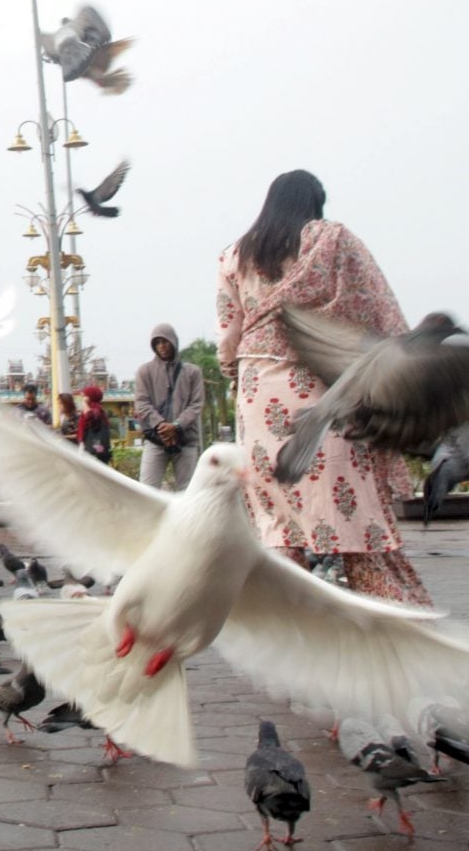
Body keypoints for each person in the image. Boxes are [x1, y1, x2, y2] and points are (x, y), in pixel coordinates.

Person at [217, 170, 433, 605]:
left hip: (258, 392)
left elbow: (228, 332)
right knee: (352, 513)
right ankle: (400, 618)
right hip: (320, 390)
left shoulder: (235, 254)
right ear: (315, 202)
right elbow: (375, 306)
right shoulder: (332, 239)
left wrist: (231, 368)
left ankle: (296, 627)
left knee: (278, 520)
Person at [134, 324, 205, 492]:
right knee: (146, 490)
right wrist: (161, 426)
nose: (162, 346)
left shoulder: (193, 372)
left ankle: (187, 520)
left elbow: (196, 404)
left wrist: (177, 426)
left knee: (187, 492)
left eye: (165, 341)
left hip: (186, 440)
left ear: (174, 342)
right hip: (156, 440)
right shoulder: (145, 372)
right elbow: (142, 403)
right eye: (157, 342)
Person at [74, 385, 114, 463]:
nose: (83, 398)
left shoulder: (96, 409)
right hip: (94, 447)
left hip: (94, 449)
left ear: (91, 396)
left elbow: (89, 416)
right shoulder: (95, 409)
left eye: (85, 396)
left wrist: (84, 403)